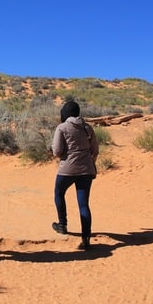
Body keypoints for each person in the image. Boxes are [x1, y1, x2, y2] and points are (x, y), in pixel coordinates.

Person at [51, 100, 99, 250]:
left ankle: (62, 224)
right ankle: (86, 238)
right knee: (83, 203)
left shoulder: (62, 127)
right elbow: (95, 150)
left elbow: (57, 151)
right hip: (87, 169)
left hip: (68, 169)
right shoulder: (87, 127)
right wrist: (91, 163)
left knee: (59, 192)